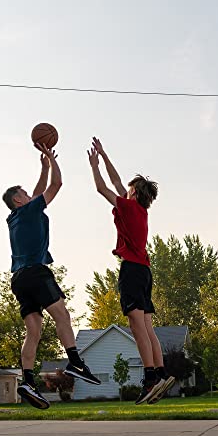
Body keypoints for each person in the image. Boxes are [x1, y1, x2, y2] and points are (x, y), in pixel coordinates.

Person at [2, 142, 100, 409]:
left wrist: (42, 167)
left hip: (19, 279)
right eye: (23, 193)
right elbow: (56, 185)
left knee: (33, 332)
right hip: (36, 273)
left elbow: (36, 192)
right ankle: (76, 363)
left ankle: (27, 381)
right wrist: (52, 162)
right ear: (18, 200)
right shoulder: (29, 210)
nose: (28, 194)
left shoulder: (16, 216)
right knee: (62, 315)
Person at [87, 136, 175, 405]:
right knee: (148, 329)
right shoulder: (138, 211)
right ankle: (160, 374)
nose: (124, 190)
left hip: (133, 272)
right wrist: (104, 154)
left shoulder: (127, 207)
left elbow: (103, 187)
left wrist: (94, 165)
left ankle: (150, 380)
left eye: (129, 189)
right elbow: (117, 184)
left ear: (133, 193)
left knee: (137, 329)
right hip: (144, 271)